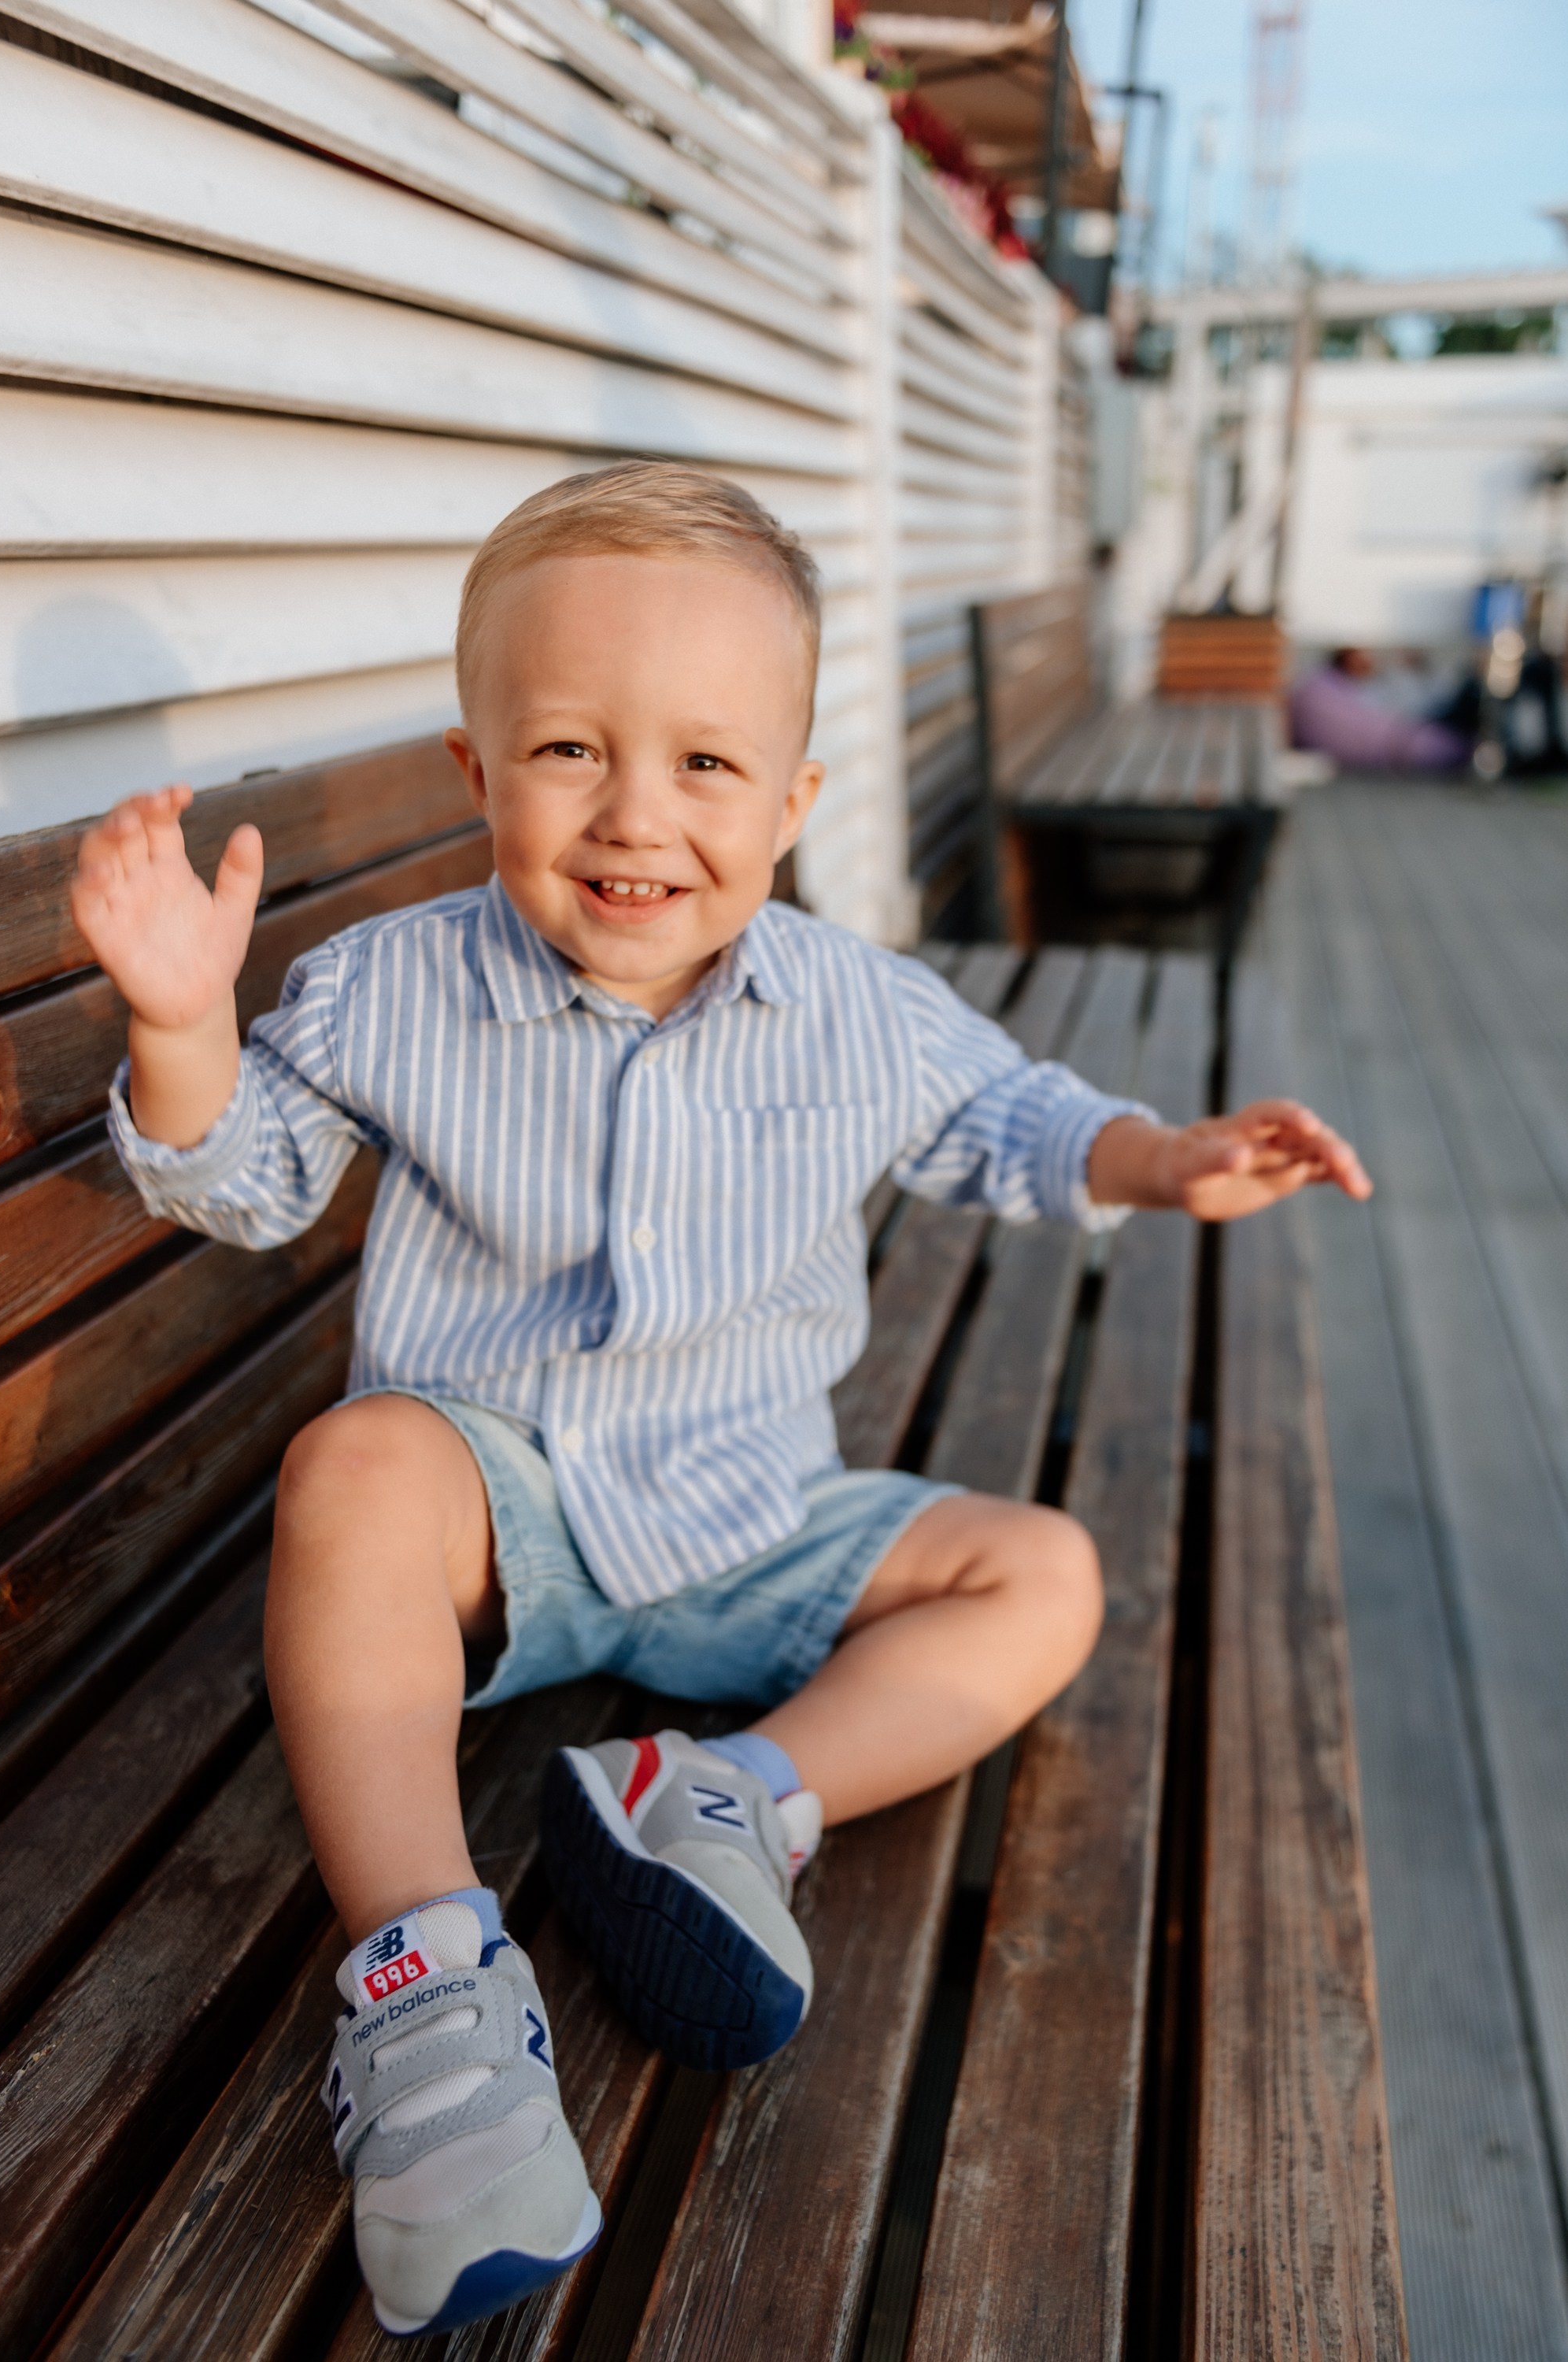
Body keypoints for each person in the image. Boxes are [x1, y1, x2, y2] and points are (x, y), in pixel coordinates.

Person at [70, 465, 1372, 2340]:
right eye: (571, 749)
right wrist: (185, 1029)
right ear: (476, 773)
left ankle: (727, 1800)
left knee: (1047, 1572)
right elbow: (252, 1178)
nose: (633, 818)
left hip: (757, 1511)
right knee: (346, 1466)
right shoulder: (390, 988)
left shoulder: (858, 1004)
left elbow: (1010, 1117)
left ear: (792, 802)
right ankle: (431, 1983)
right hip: (492, 1516)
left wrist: (1167, 1157)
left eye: (702, 765)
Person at [1290, 645, 1468, 771]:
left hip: (1409, 741)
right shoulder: (1321, 691)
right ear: (1351, 656)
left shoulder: (1319, 686)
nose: (1374, 658)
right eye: (1367, 652)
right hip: (1412, 746)